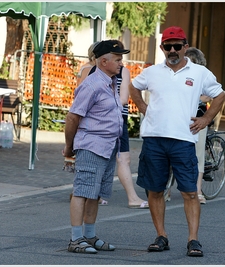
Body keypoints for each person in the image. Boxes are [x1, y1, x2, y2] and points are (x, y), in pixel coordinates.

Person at [129, 26, 225, 257]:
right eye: (167, 46)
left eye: (177, 46)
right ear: (162, 48)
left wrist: (206, 118)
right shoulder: (152, 71)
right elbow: (132, 86)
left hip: (183, 140)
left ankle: (193, 240)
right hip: (154, 139)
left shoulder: (200, 72)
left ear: (185, 47)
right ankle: (161, 236)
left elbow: (220, 94)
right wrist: (142, 107)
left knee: (190, 192)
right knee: (154, 190)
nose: (172, 50)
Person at [63, 40, 130, 254]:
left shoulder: (109, 82)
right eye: (118, 59)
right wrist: (69, 147)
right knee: (82, 191)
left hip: (108, 146)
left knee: (95, 193)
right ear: (104, 61)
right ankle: (75, 239)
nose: (121, 63)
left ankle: (89, 236)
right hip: (92, 145)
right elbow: (73, 116)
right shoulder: (92, 84)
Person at [88, 40, 149, 208]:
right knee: (123, 158)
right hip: (116, 119)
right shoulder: (123, 72)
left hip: (100, 119)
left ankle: (96, 194)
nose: (121, 62)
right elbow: (123, 99)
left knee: (102, 157)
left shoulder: (94, 71)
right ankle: (132, 198)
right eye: (118, 57)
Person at [185, 47, 212, 204]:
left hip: (199, 120)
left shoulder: (204, 75)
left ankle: (198, 189)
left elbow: (209, 96)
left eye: (193, 61)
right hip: (181, 119)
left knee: (198, 155)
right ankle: (167, 189)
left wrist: (197, 98)